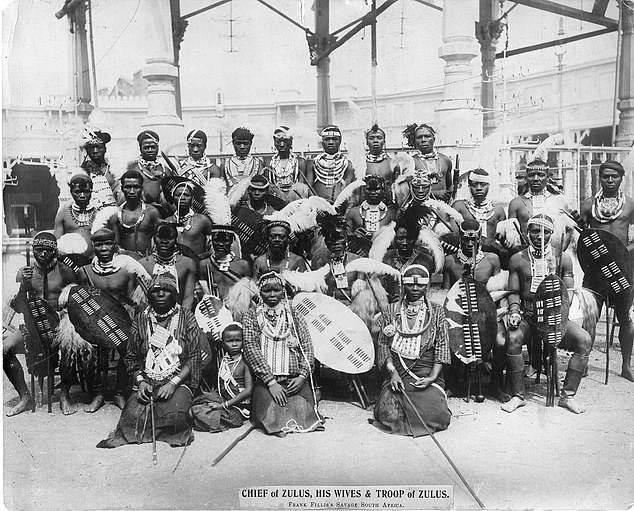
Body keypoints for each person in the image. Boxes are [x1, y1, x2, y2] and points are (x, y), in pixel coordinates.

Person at [97, 273, 204, 448]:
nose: (161, 294)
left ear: (174, 295)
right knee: (131, 418)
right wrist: (140, 382)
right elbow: (131, 356)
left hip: (178, 378)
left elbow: (194, 357)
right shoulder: (141, 319)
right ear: (149, 296)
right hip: (148, 379)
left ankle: (171, 427)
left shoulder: (186, 317)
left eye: (166, 290)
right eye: (156, 291)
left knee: (176, 415)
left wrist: (173, 384)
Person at [502, 214, 592, 414]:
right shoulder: (518, 258)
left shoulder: (563, 258)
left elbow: (568, 294)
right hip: (529, 316)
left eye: (545, 232)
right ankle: (518, 395)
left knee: (584, 339)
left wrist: (559, 318)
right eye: (534, 231)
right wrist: (515, 311)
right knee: (513, 337)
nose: (539, 236)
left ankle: (567, 396)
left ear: (552, 234)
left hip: (555, 318)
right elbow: (514, 292)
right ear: (527, 233)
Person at [242, 271, 324, 436]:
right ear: (260, 292)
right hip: (267, 382)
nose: (272, 294)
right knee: (272, 411)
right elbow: (252, 350)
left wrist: (302, 377)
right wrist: (271, 383)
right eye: (267, 291)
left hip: (294, 380)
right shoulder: (251, 317)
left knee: (303, 410)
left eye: (277, 290)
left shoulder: (295, 315)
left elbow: (307, 347)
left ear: (283, 291)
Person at [373, 264, 451, 436]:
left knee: (436, 414)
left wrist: (431, 377)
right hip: (397, 372)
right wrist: (392, 373)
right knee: (389, 413)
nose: (415, 288)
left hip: (426, 372)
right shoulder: (391, 310)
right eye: (410, 284)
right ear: (403, 284)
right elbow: (384, 345)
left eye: (420, 285)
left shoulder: (437, 312)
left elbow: (442, 347)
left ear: (427, 285)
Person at [4, 232, 77, 416]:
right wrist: (23, 286)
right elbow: (19, 306)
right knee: (5, 349)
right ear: (33, 251)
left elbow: (76, 300)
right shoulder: (24, 272)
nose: (43, 254)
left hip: (61, 325)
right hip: (32, 326)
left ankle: (64, 395)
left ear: (55, 251)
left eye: (47, 250)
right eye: (38, 250)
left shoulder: (65, 271)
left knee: (71, 345)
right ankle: (25, 397)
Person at [579, 160, 634, 382]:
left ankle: (626, 366)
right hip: (595, 270)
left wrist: (621, 253)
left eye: (614, 176)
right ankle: (582, 362)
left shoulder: (630, 205)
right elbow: (582, 239)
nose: (610, 180)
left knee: (625, 317)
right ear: (599, 178)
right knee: (590, 316)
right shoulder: (588, 205)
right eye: (605, 176)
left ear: (622, 178)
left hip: (622, 269)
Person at [442, 220, 507, 401]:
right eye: (465, 239)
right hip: (459, 315)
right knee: (447, 337)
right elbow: (447, 296)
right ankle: (453, 383)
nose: (470, 244)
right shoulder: (450, 261)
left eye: (474, 239)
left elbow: (496, 291)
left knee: (501, 342)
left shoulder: (492, 259)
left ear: (480, 238)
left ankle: (494, 384)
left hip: (488, 315)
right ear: (459, 239)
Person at [76, 228, 138, 412]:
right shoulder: (85, 271)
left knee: (129, 345)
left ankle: (119, 391)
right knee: (92, 346)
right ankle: (99, 394)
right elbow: (82, 300)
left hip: (122, 318)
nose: (104, 248)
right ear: (93, 246)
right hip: (94, 319)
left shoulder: (126, 269)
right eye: (99, 244)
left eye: (108, 243)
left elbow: (132, 300)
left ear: (114, 245)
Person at [189, 323, 253, 432]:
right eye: (229, 341)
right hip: (224, 400)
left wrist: (223, 405)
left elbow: (248, 390)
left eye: (238, 340)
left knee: (200, 413)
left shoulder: (246, 362)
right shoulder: (223, 360)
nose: (234, 344)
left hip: (239, 407)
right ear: (223, 344)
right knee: (194, 407)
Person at [103, 169, 162, 258]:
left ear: (141, 188)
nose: (132, 191)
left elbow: (160, 241)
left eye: (136, 187)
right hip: (125, 262)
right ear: (122, 189)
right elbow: (116, 245)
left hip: (148, 261)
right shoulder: (115, 216)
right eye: (128, 187)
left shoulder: (152, 213)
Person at [139, 222, 197, 311]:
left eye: (169, 238)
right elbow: (142, 300)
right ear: (153, 238)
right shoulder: (143, 264)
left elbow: (188, 298)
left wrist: (181, 320)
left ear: (176, 239)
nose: (164, 241)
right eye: (160, 237)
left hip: (179, 314)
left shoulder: (187, 264)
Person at [508, 159, 568, 237]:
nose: (536, 178)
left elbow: (568, 231)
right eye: (531, 175)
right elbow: (511, 235)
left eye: (541, 175)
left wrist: (560, 249)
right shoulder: (516, 203)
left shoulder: (560, 201)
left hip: (553, 248)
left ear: (547, 178)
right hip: (526, 248)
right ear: (526, 178)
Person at [199, 224, 252, 301]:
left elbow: (248, 294)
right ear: (212, 240)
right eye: (217, 240)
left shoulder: (243, 265)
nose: (220, 244)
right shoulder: (204, 265)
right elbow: (203, 293)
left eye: (225, 240)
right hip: (213, 309)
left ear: (232, 241)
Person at [402, 123, 453, 202]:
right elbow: (406, 190)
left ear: (434, 139)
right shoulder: (410, 162)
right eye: (419, 137)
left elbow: (450, 185)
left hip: (443, 207)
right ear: (414, 141)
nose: (423, 140)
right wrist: (434, 193)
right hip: (419, 207)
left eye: (427, 136)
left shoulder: (445, 160)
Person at [305, 125, 355, 204]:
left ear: (340, 141)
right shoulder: (313, 163)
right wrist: (318, 203)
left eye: (335, 139)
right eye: (327, 139)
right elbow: (308, 188)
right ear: (322, 141)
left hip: (340, 207)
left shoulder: (347, 164)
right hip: (317, 207)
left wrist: (340, 205)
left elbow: (348, 189)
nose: (331, 142)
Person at [451, 169, 506, 239]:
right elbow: (453, 235)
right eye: (474, 185)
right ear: (469, 186)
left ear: (488, 185)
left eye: (483, 185)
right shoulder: (459, 206)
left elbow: (504, 239)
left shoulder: (498, 210)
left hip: (492, 249)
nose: (479, 188)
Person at [165, 179, 214, 256]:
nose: (182, 198)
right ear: (172, 197)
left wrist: (201, 257)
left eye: (186, 195)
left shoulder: (202, 220)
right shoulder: (167, 221)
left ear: (192, 198)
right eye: (178, 195)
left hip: (196, 264)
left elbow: (215, 246)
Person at [54, 173, 97, 258]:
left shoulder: (99, 214)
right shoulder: (63, 213)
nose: (82, 195)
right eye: (77, 192)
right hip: (69, 263)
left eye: (86, 191)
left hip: (93, 263)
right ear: (71, 192)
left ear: (91, 190)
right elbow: (56, 243)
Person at [126, 130, 172, 208]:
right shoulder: (133, 168)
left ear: (157, 148)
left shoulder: (165, 170)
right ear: (140, 149)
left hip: (163, 210)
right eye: (146, 148)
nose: (150, 150)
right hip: (140, 209)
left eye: (153, 147)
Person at [263, 125, 308, 201]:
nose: (282, 144)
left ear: (291, 141)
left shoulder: (300, 162)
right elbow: (269, 185)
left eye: (285, 141)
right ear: (274, 141)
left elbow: (300, 187)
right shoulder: (268, 162)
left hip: (296, 200)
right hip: (275, 200)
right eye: (279, 141)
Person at [80, 129, 123, 209]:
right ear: (87, 151)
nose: (95, 151)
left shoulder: (113, 168)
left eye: (99, 147)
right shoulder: (83, 171)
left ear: (105, 149)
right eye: (92, 148)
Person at [346, 175, 396, 240]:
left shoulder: (391, 213)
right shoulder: (353, 212)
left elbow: (397, 238)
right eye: (369, 189)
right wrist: (354, 235)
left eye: (377, 189)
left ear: (383, 191)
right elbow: (346, 235)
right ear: (363, 190)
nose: (373, 192)